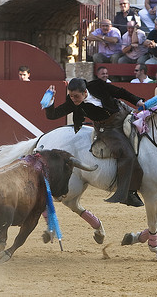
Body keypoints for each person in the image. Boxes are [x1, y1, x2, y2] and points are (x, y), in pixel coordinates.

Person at [43, 78, 145, 207]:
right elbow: (53, 115)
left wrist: (137, 100)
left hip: (124, 112)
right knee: (127, 154)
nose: (73, 99)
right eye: (71, 96)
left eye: (76, 96)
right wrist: (49, 102)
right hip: (108, 129)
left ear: (85, 92)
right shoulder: (73, 102)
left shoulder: (97, 86)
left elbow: (119, 92)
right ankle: (128, 193)